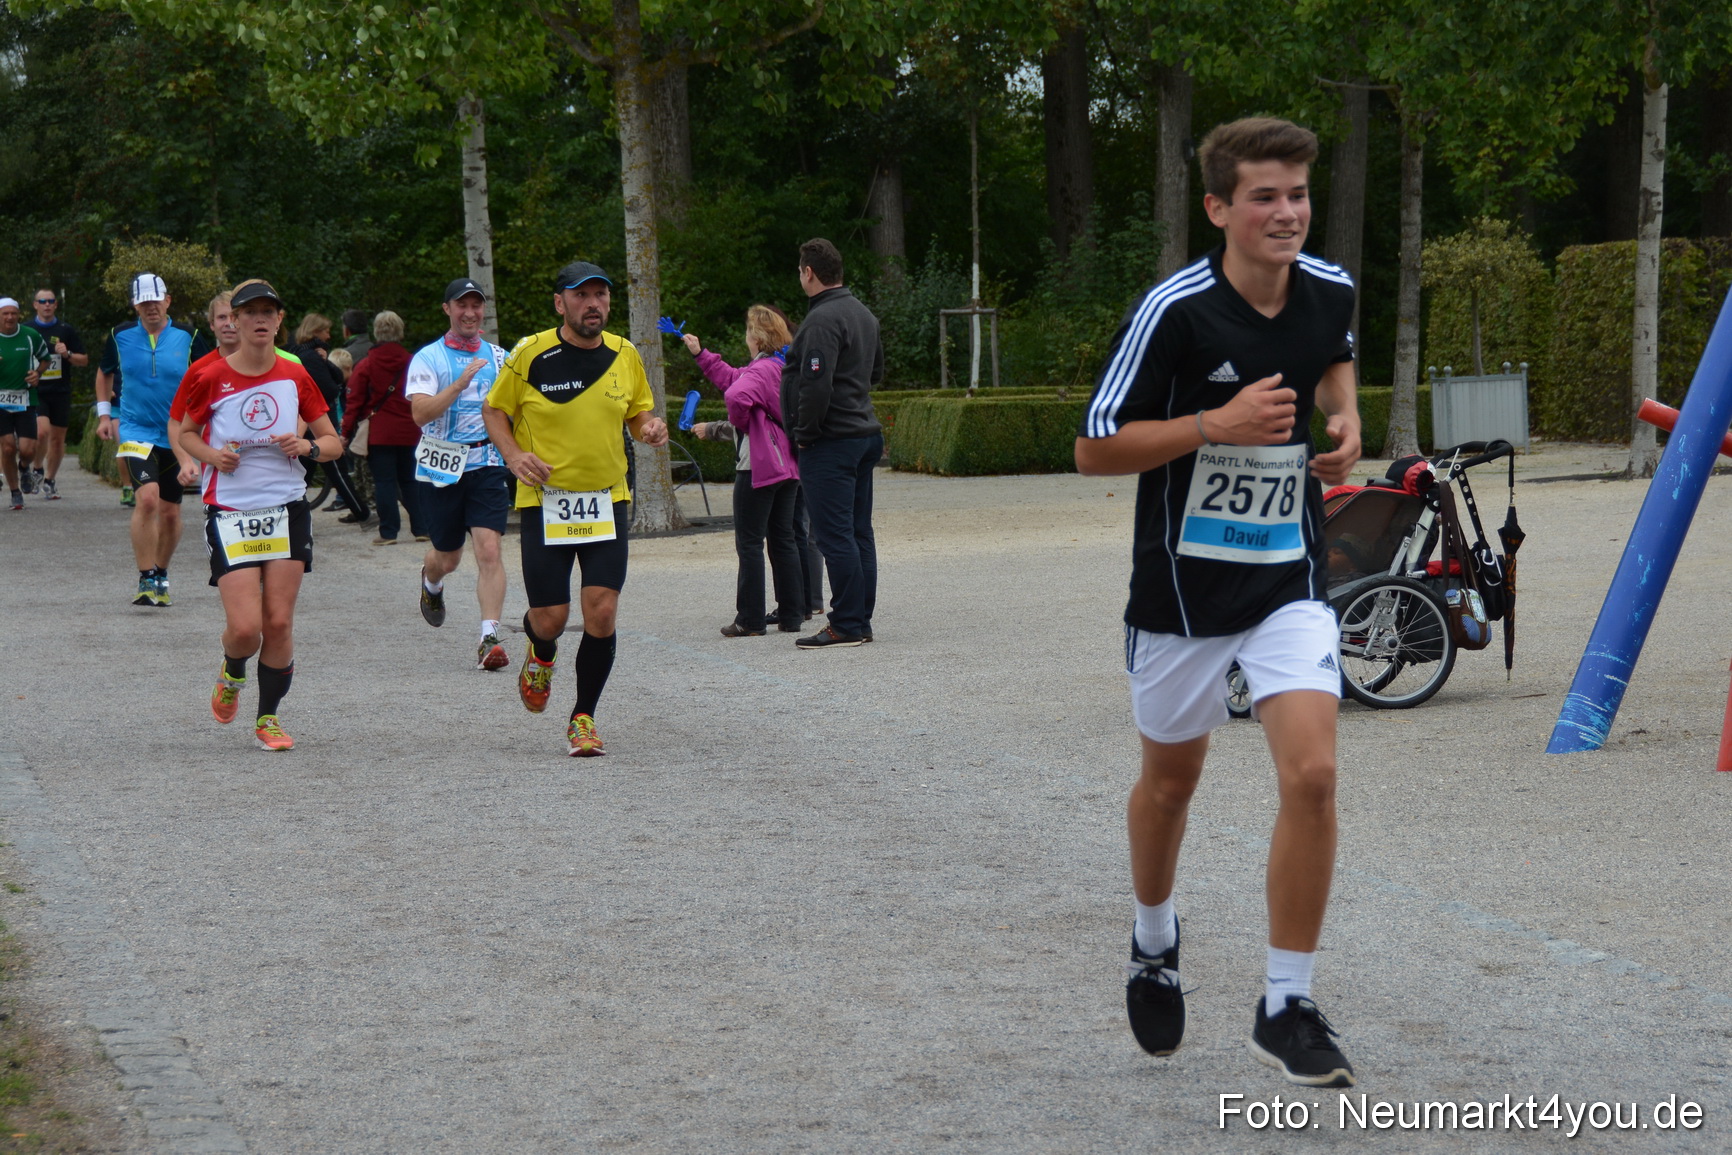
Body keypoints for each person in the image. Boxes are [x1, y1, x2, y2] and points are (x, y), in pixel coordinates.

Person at [1073, 117, 1363, 1087]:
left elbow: (1334, 350)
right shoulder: (1175, 311)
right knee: (1170, 784)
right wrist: (1214, 424)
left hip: (1288, 577)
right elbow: (1092, 447)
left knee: (1312, 775)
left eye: (1297, 195)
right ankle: (1154, 939)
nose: (1287, 214)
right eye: (1264, 197)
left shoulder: (1329, 288)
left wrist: (1346, 418)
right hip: (1181, 597)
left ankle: (1286, 1002)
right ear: (1217, 208)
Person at [482, 260, 668, 757]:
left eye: (601, 296)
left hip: (607, 499)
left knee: (601, 612)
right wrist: (515, 455)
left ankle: (583, 717)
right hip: (547, 501)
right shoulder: (531, 353)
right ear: (560, 303)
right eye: (582, 296)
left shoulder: (625, 354)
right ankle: (541, 653)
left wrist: (647, 428)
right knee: (550, 617)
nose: (594, 305)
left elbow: (637, 412)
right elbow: (495, 411)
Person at [172, 279, 341, 752]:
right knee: (246, 629)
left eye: (269, 311)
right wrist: (212, 454)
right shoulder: (209, 376)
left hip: (286, 508)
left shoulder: (296, 375)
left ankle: (268, 718)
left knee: (280, 623)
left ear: (280, 320)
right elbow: (185, 433)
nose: (260, 319)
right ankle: (233, 666)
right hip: (230, 510)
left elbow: (333, 442)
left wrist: (307, 445)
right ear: (236, 320)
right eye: (250, 312)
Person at [780, 238, 885, 649]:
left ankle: (846, 625)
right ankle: (860, 619)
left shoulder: (822, 320)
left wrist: (805, 434)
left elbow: (815, 384)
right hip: (863, 433)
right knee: (859, 533)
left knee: (834, 535)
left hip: (832, 441)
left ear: (808, 272)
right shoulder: (863, 314)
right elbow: (875, 373)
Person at [406, 277, 513, 670]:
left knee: (489, 549)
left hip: (486, 463)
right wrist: (459, 383)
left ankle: (489, 638)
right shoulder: (428, 358)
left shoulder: (500, 358)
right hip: (440, 466)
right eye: (461, 305)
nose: (470, 313)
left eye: (476, 305)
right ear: (447, 309)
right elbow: (420, 414)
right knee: (447, 558)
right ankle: (431, 580)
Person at [683, 305, 805, 636]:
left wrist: (740, 424)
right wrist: (701, 354)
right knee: (783, 540)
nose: (745, 336)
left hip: (758, 466)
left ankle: (749, 620)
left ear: (756, 336)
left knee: (749, 543)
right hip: (788, 466)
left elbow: (736, 394)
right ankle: (792, 615)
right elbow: (733, 377)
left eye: (748, 331)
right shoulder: (782, 365)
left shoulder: (760, 371)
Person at [95, 273, 211, 604]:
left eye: (156, 301)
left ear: (168, 300)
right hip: (134, 428)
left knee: (171, 512)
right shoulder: (119, 336)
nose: (151, 308)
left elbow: (207, 378)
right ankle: (146, 578)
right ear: (135, 305)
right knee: (147, 499)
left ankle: (161, 570)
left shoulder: (189, 336)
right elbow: (104, 373)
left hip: (176, 433)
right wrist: (105, 415)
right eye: (144, 303)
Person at [341, 310, 424, 544]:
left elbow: (354, 401)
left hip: (380, 433)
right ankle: (422, 529)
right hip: (411, 431)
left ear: (377, 332)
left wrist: (345, 433)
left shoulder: (367, 364)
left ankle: (388, 533)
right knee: (411, 481)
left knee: (384, 483)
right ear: (400, 331)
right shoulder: (413, 361)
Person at [289, 313, 370, 524]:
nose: (329, 334)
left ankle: (290, 511)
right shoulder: (311, 357)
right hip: (319, 422)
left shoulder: (298, 354)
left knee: (304, 473)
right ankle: (362, 512)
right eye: (325, 330)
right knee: (337, 471)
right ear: (315, 332)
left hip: (305, 422)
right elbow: (331, 387)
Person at [23, 288, 87, 500]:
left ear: (56, 304)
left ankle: (49, 480)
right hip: (36, 391)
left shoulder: (65, 330)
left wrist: (67, 354)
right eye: (42, 301)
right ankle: (38, 469)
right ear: (35, 305)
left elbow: (83, 360)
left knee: (58, 440)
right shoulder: (27, 330)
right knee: (42, 432)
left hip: (60, 391)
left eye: (51, 301)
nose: (47, 304)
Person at [0, 298, 49, 510]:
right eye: (5, 313)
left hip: (26, 398)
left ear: (19, 314)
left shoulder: (30, 336)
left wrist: (37, 374)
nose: (10, 317)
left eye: (13, 313)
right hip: (0, 401)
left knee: (28, 449)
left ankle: (24, 468)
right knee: (8, 447)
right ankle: (14, 491)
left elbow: (46, 358)